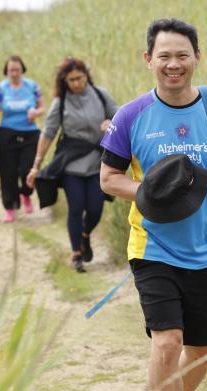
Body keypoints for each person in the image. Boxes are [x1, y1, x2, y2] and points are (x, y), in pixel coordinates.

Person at [99, 18, 207, 391]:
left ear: (197, 57)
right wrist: (148, 191)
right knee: (167, 342)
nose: (174, 64)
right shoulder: (132, 115)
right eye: (164, 56)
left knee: (200, 351)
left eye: (183, 55)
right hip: (153, 249)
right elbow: (109, 178)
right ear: (149, 60)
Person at [26, 57, 118, 272]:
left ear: (86, 75)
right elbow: (48, 133)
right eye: (71, 80)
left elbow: (120, 117)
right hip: (71, 165)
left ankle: (85, 235)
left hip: (97, 163)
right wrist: (36, 165)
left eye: (79, 78)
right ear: (64, 82)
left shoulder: (100, 95)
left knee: (95, 208)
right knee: (76, 207)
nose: (76, 83)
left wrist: (111, 124)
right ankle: (76, 253)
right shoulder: (61, 103)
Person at [0, 55, 44, 223]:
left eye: (17, 69)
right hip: (7, 133)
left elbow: (43, 106)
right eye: (11, 70)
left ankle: (25, 193)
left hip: (30, 133)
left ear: (22, 70)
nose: (14, 73)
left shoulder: (32, 86)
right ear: (6, 71)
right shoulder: (0, 89)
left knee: (29, 169)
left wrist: (36, 112)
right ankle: (10, 208)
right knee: (8, 172)